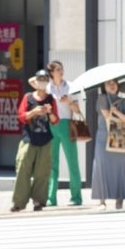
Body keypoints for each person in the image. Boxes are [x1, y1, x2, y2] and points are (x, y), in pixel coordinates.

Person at [11, 69, 59, 212]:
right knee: (22, 169)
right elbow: (21, 116)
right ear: (36, 81)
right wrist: (34, 112)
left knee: (42, 172)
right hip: (28, 139)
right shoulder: (28, 97)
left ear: (48, 82)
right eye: (40, 79)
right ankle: (19, 202)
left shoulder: (51, 99)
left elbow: (55, 120)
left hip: (45, 139)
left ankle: (39, 201)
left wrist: (49, 112)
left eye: (45, 79)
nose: (42, 82)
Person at [45, 60, 83, 207]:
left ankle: (76, 197)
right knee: (52, 163)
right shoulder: (48, 88)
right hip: (52, 125)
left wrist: (69, 101)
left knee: (72, 161)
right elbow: (34, 82)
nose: (60, 72)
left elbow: (77, 110)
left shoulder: (70, 86)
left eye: (61, 69)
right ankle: (51, 197)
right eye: (57, 69)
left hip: (67, 124)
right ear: (51, 73)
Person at [92, 79, 125, 210]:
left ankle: (119, 199)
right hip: (103, 137)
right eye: (108, 83)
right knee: (101, 167)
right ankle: (102, 201)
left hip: (119, 135)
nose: (112, 85)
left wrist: (116, 112)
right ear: (103, 86)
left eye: (114, 82)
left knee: (119, 167)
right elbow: (105, 114)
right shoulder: (102, 98)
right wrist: (117, 114)